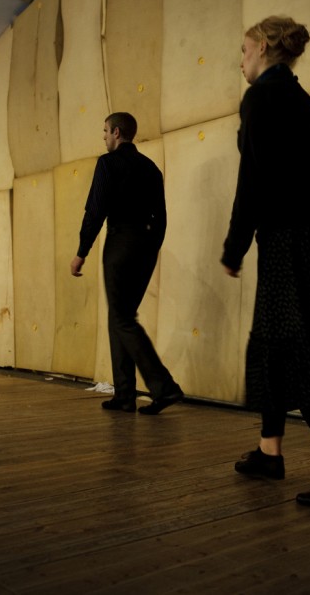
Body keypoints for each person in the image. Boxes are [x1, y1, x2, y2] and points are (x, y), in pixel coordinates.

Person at [222, 16, 310, 508]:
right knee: (272, 347)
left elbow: (253, 182)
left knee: (301, 352)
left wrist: (233, 246)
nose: (240, 62)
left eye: (243, 52)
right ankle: (269, 451)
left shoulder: (262, 97)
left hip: (289, 241)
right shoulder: (306, 105)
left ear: (263, 48)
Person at [71, 112, 184, 415]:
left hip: (120, 242)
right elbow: (161, 217)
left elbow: (96, 210)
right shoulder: (151, 169)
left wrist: (82, 250)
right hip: (146, 245)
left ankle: (164, 387)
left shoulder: (108, 163)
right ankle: (124, 395)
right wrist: (151, 247)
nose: (104, 137)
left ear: (117, 132)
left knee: (121, 318)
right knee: (120, 316)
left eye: (105, 131)